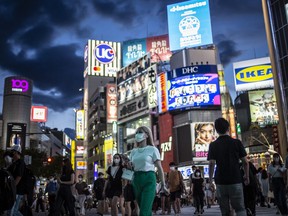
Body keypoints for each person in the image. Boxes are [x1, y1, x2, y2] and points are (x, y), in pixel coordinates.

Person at [207, 117, 249, 216]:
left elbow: (211, 163)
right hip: (235, 179)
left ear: (216, 130)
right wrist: (246, 176)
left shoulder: (213, 145)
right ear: (228, 128)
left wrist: (210, 180)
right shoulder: (236, 142)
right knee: (240, 209)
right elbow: (245, 162)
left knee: (225, 211)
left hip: (221, 181)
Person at [129, 126, 167, 216]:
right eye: (137, 133)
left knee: (144, 212)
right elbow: (131, 168)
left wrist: (163, 184)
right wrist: (129, 167)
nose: (138, 135)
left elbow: (160, 168)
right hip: (136, 180)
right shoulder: (133, 152)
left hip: (149, 179)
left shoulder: (153, 149)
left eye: (140, 132)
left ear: (146, 135)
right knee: (144, 208)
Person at [7, 144, 26, 216]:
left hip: (17, 191)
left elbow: (19, 176)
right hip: (15, 190)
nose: (11, 153)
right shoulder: (13, 163)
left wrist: (13, 188)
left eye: (13, 151)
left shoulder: (20, 163)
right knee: (13, 211)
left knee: (11, 212)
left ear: (17, 152)